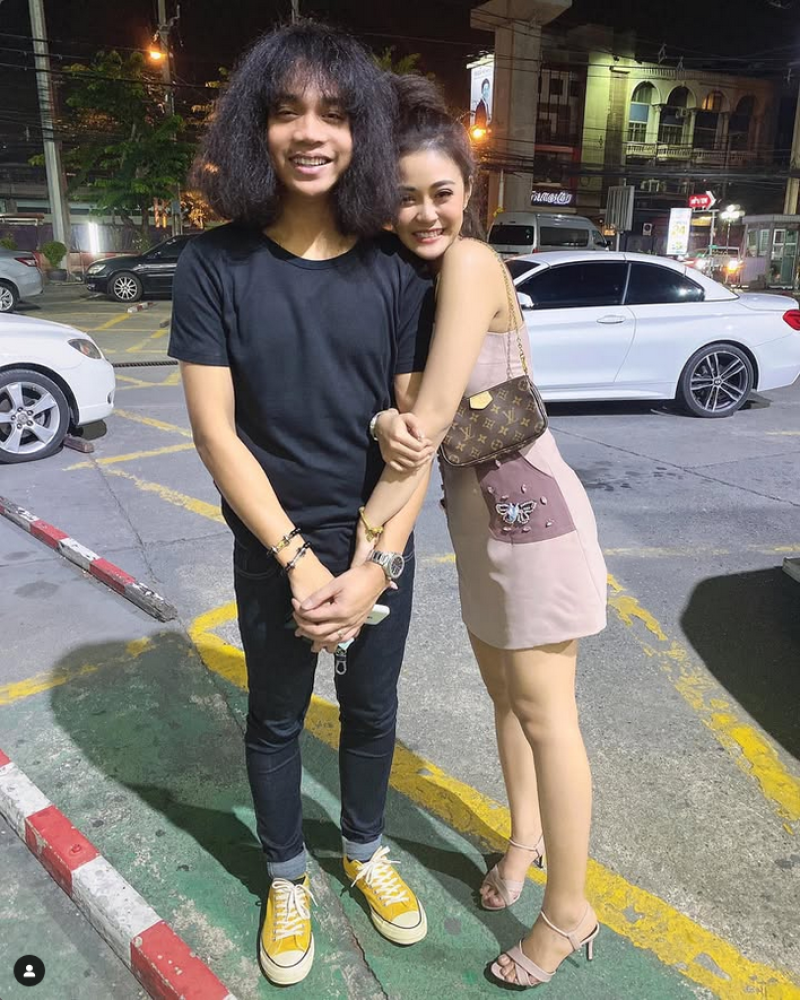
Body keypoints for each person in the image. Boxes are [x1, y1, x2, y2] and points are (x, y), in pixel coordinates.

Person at [304, 77, 607, 989]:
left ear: (470, 191)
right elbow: (406, 420)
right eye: (405, 196)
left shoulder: (471, 264)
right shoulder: (417, 281)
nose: (425, 212)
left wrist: (366, 557)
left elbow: (429, 425)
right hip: (476, 525)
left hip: (533, 521)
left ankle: (569, 911)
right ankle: (524, 844)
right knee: (508, 704)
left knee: (548, 716)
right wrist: (382, 422)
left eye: (441, 192)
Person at [169, 24, 434, 987]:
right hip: (272, 546)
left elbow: (417, 439)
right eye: (287, 112)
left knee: (371, 711)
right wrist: (298, 561)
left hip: (377, 546)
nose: (311, 133)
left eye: (334, 113)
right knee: (277, 718)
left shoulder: (397, 268)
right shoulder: (214, 264)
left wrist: (372, 568)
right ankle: (286, 873)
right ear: (257, 128)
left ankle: (363, 848)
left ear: (363, 132)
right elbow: (216, 436)